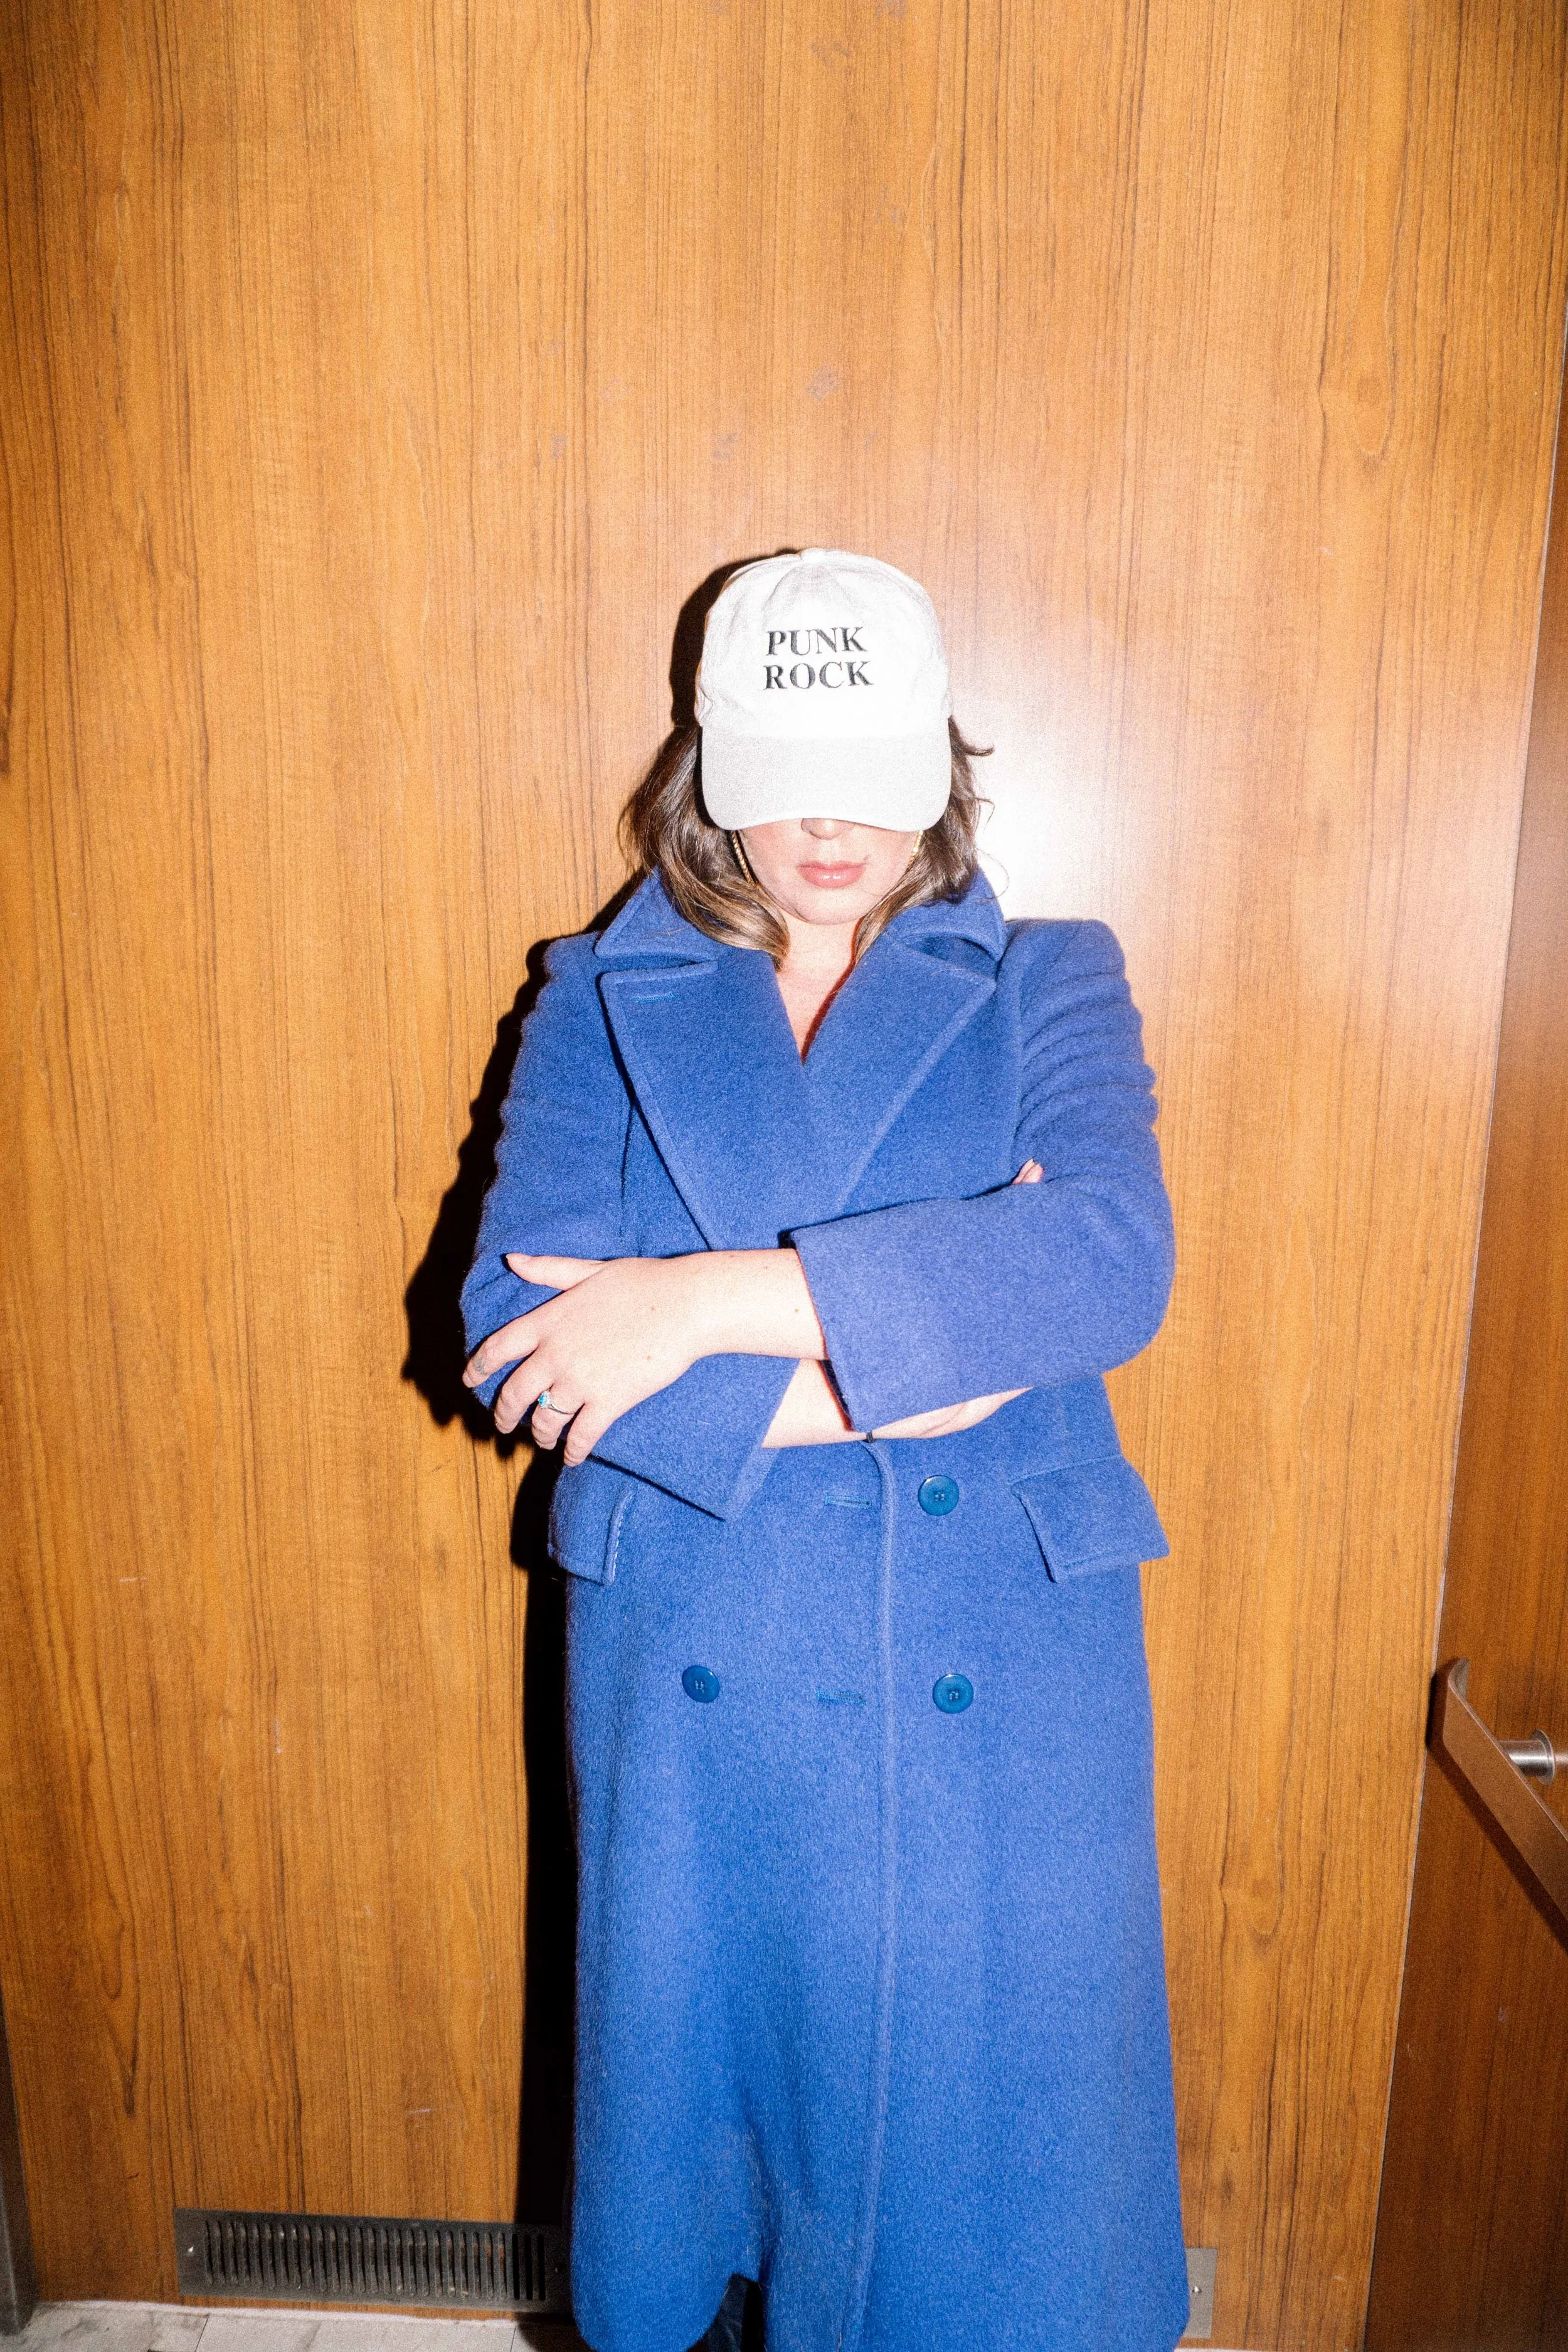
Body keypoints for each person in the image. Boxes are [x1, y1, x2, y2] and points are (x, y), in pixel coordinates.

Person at [460, 549, 1189, 2352]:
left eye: (869, 765)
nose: (826, 822)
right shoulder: (594, 994)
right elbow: (519, 1336)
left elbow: (1103, 1259)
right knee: (719, 2151)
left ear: (938, 764)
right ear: (704, 766)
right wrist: (907, 1351)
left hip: (993, 1657)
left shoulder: (1047, 977)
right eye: (781, 766)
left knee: (977, 2184)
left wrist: (693, 1303)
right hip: (702, 1649)